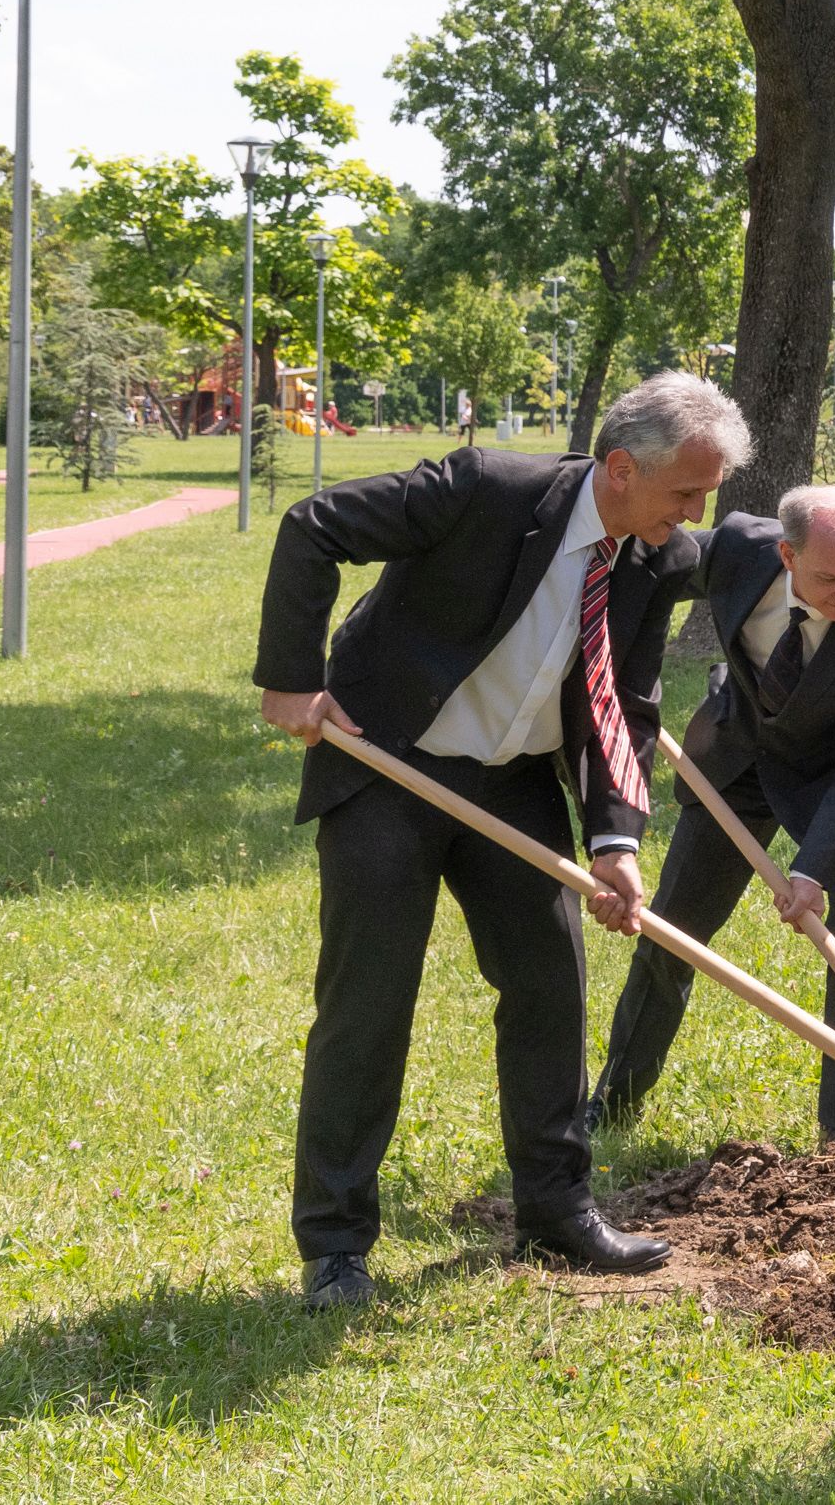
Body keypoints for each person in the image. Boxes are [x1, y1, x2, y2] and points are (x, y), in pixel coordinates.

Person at [252, 370, 744, 1308]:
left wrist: (616, 839)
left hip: (511, 781)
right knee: (370, 1000)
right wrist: (289, 679)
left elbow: (622, 705)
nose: (693, 516)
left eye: (704, 498)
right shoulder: (484, 487)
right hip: (389, 760)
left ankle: (557, 1214)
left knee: (550, 980)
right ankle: (336, 1247)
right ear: (619, 468)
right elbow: (314, 526)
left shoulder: (657, 559)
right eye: (684, 492)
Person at [592, 484, 835, 1145]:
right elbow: (649, 568)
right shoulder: (738, 552)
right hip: (739, 759)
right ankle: (612, 1101)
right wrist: (605, 634)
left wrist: (813, 869)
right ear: (785, 553)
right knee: (673, 928)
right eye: (830, 578)